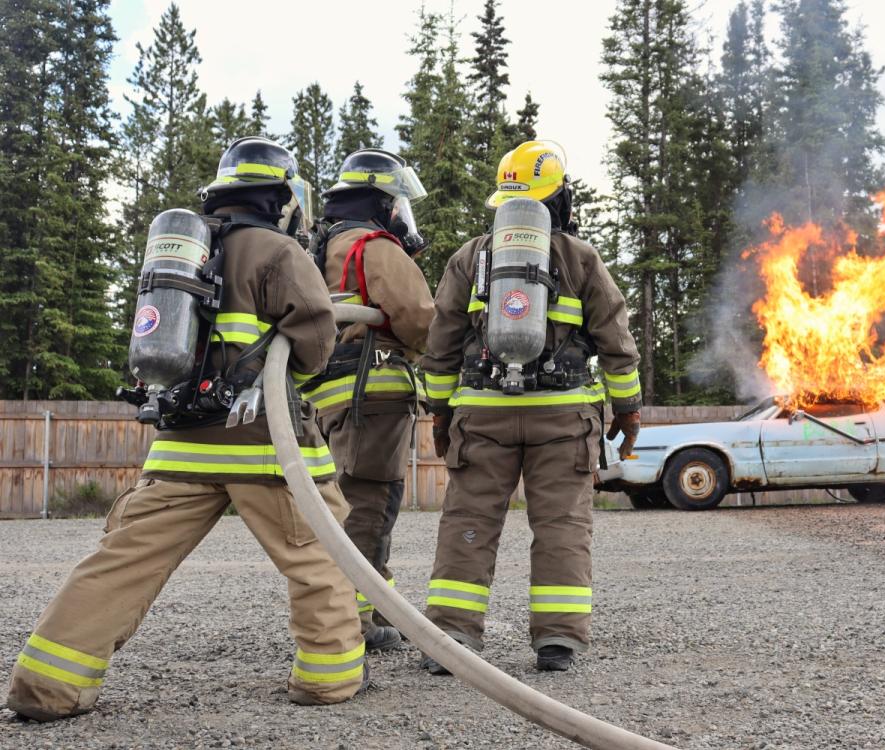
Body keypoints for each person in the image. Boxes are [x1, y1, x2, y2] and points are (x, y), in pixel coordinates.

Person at [6, 137, 365, 721]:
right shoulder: (275, 250)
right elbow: (316, 340)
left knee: (122, 560)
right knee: (320, 554)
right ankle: (330, 679)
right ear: (280, 198)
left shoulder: (183, 252)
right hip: (265, 444)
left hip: (180, 444)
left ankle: (45, 685)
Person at [418, 141, 642, 674]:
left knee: (468, 520)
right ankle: (558, 643)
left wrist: (442, 414)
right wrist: (628, 410)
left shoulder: (470, 257)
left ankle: (451, 638)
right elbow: (616, 341)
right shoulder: (582, 259)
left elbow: (441, 343)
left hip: (482, 413)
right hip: (564, 418)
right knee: (562, 523)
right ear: (560, 199)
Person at [300, 149, 435, 651]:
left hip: (332, 396)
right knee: (371, 503)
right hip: (372, 393)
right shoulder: (373, 246)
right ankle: (357, 621)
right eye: (398, 204)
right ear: (381, 203)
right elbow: (420, 319)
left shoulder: (325, 245)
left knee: (351, 501)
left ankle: (376, 608)